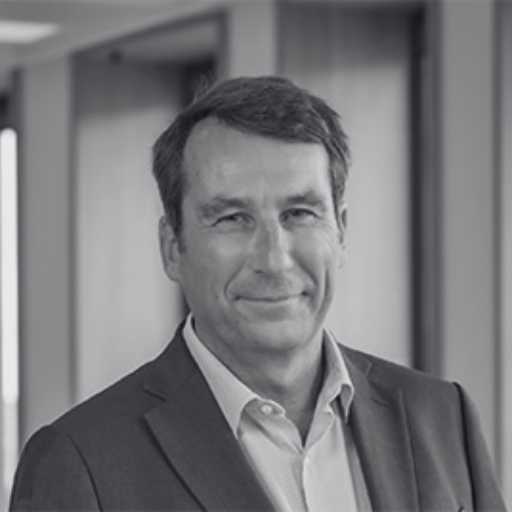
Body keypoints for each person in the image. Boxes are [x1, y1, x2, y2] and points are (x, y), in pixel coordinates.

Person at [10, 76, 506, 512]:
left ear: (341, 232)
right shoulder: (82, 462)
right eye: (232, 218)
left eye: (300, 213)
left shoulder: (442, 417)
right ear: (173, 247)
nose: (274, 259)